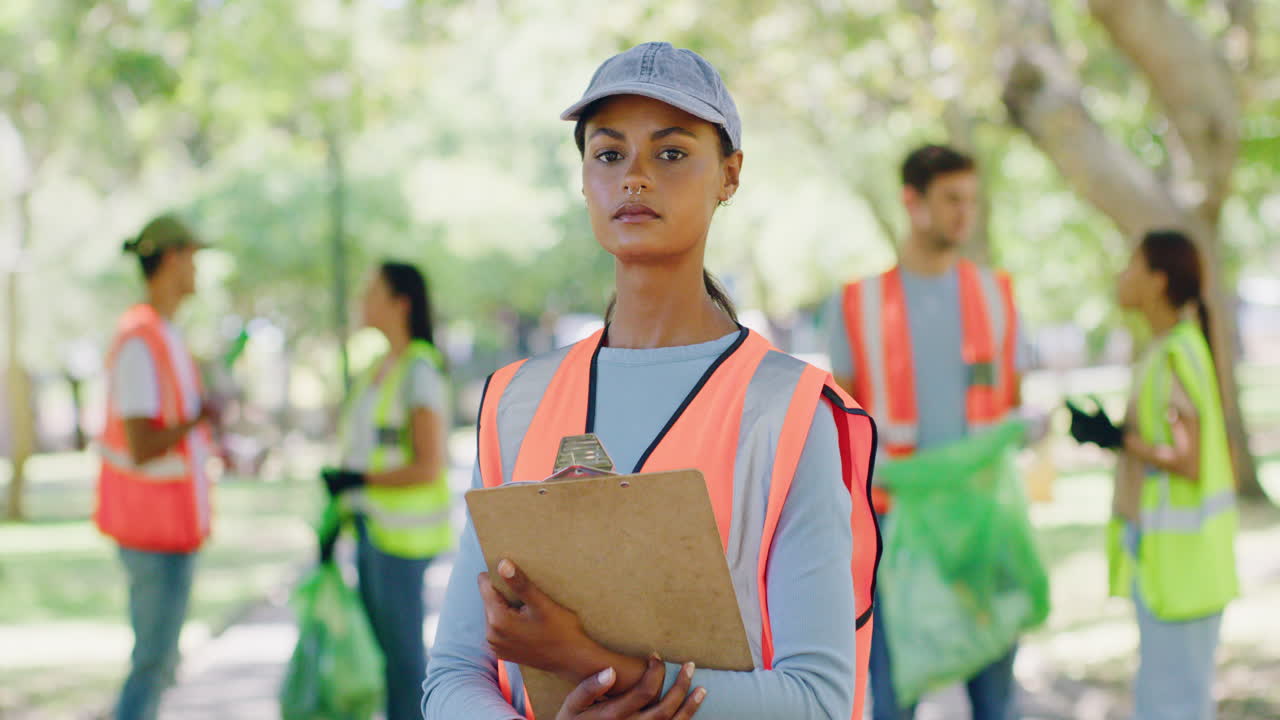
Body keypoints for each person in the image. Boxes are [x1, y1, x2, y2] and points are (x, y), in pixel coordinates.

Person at [422, 42, 880, 720]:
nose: (634, 176)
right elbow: (453, 677)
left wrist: (586, 661)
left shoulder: (788, 413)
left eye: (670, 153)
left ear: (729, 174)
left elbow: (816, 701)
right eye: (609, 154)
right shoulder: (516, 402)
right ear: (583, 179)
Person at [825, 144, 1032, 720]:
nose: (966, 213)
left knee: (996, 699)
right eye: (951, 200)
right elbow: (841, 424)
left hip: (980, 521)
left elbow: (1011, 402)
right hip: (896, 527)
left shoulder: (998, 295)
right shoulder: (857, 304)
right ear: (912, 202)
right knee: (894, 698)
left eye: (971, 200)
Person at [1067, 230, 1237, 720]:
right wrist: (1119, 436)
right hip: (1172, 563)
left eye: (1132, 266)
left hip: (1182, 568)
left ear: (1158, 281)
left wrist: (1120, 440)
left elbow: (1188, 460)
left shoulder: (1176, 353)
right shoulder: (1168, 348)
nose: (1122, 276)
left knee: (1172, 706)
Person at [96, 214, 217, 720]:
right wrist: (198, 420)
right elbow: (144, 442)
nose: (196, 269)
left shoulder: (164, 334)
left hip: (170, 529)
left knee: (161, 663)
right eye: (192, 257)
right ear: (171, 259)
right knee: (151, 663)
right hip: (149, 531)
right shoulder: (141, 338)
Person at [320, 260, 453, 720]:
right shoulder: (380, 368)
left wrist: (359, 480)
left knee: (404, 662)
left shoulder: (419, 369)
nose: (361, 300)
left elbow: (428, 464)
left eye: (371, 291)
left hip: (402, 538)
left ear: (401, 303)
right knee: (390, 661)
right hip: (371, 529)